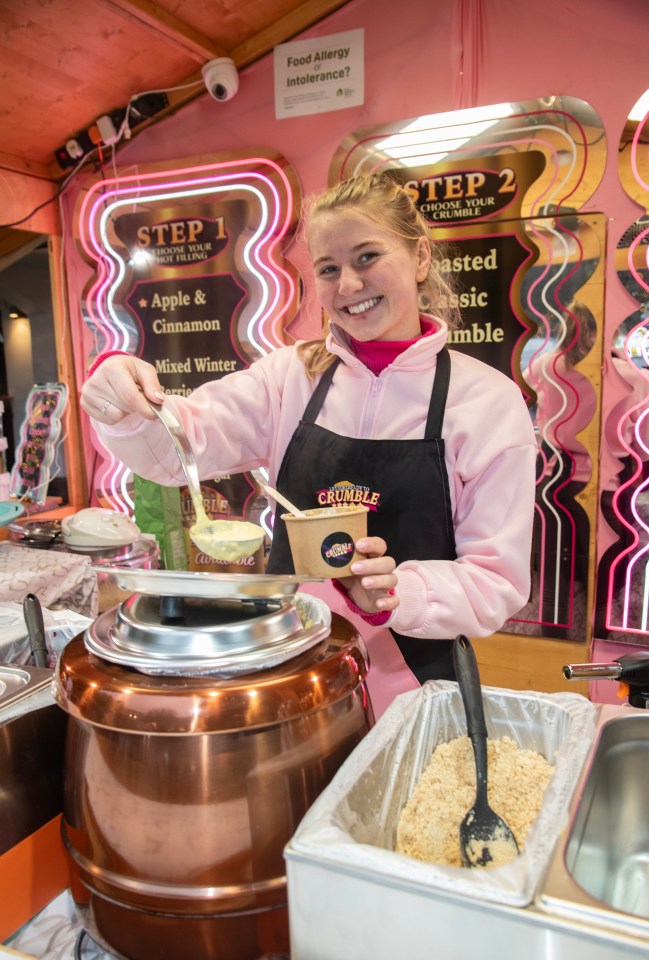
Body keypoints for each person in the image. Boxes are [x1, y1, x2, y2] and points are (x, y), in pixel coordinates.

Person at [81, 172, 537, 716]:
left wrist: (399, 592)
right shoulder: (288, 377)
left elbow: (497, 582)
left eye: (367, 257)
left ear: (419, 259)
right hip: (290, 678)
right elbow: (179, 449)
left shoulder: (487, 402)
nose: (347, 286)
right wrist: (124, 400)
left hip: (414, 693)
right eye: (328, 268)